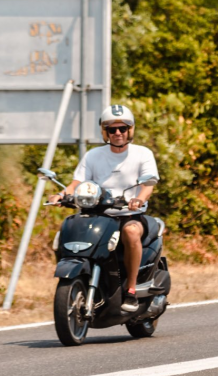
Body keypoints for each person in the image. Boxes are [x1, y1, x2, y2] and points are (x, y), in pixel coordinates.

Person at [50, 104, 159, 312]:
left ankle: (131, 291)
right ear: (105, 132)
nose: (118, 133)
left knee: (131, 231)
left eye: (123, 128)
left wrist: (139, 199)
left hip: (130, 214)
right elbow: (76, 183)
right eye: (112, 129)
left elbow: (148, 184)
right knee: (71, 229)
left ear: (130, 130)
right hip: (98, 214)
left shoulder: (142, 153)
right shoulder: (93, 155)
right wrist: (61, 195)